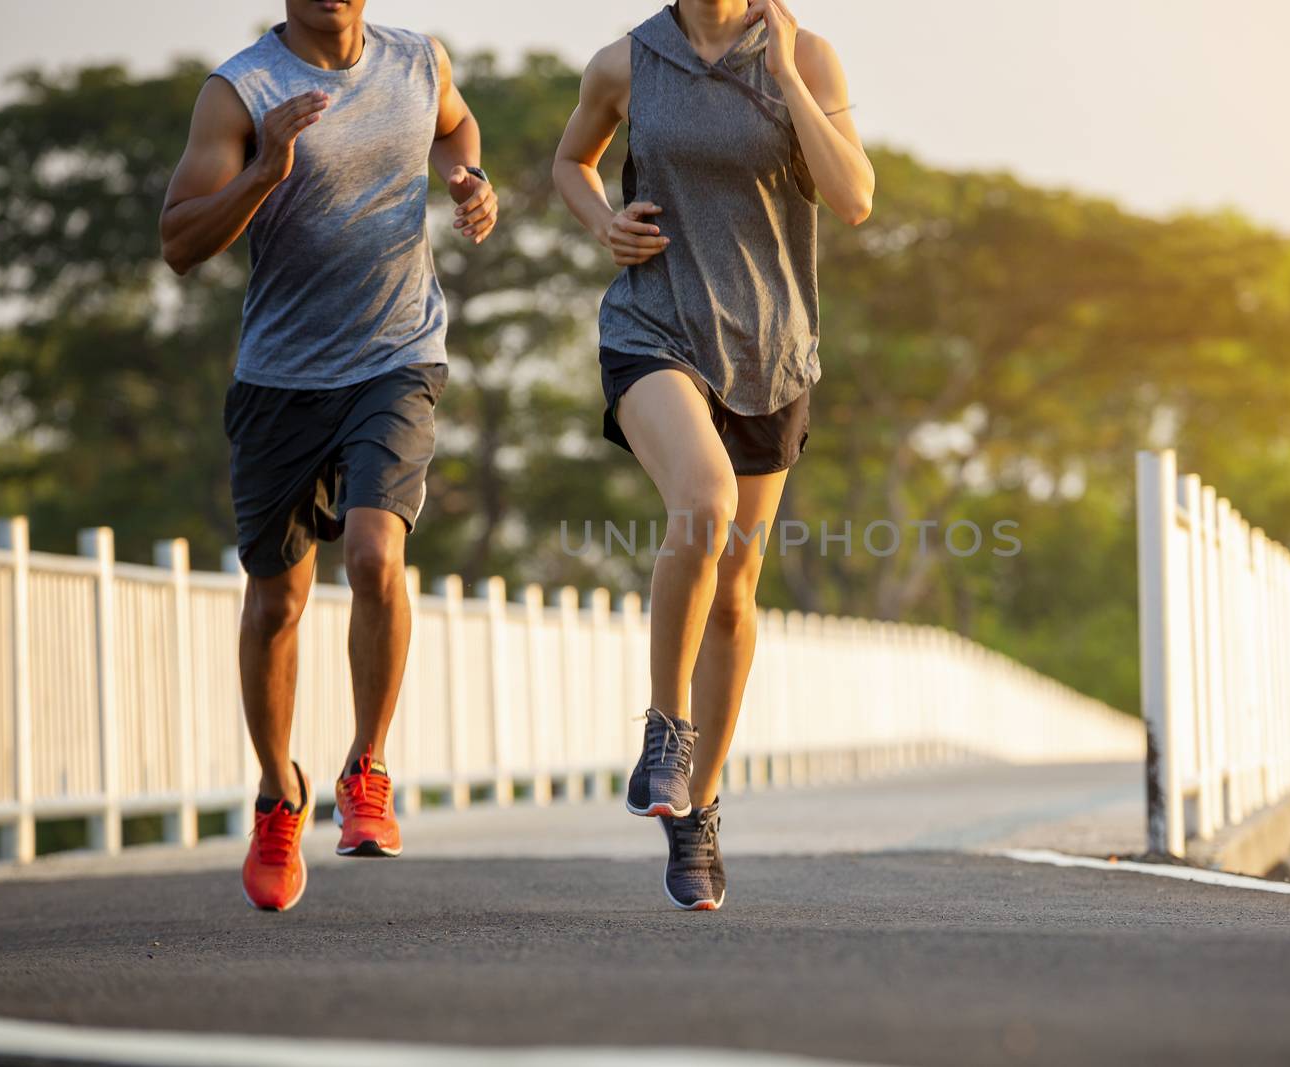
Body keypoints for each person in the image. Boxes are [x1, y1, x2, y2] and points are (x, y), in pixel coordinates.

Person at [159, 0, 497, 912]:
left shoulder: (418, 60)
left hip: (398, 353)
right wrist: (265, 169)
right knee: (277, 600)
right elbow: (180, 242)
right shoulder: (240, 92)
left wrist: (467, 177)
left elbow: (455, 124)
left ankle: (367, 767)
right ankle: (279, 793)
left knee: (376, 553)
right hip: (280, 378)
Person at [554, 0, 874, 910]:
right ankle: (666, 729)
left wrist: (784, 84)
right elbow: (570, 162)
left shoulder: (808, 57)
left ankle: (699, 807)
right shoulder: (626, 62)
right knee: (704, 499)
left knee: (735, 583)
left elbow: (852, 198)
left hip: (771, 353)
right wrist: (600, 222)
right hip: (654, 327)